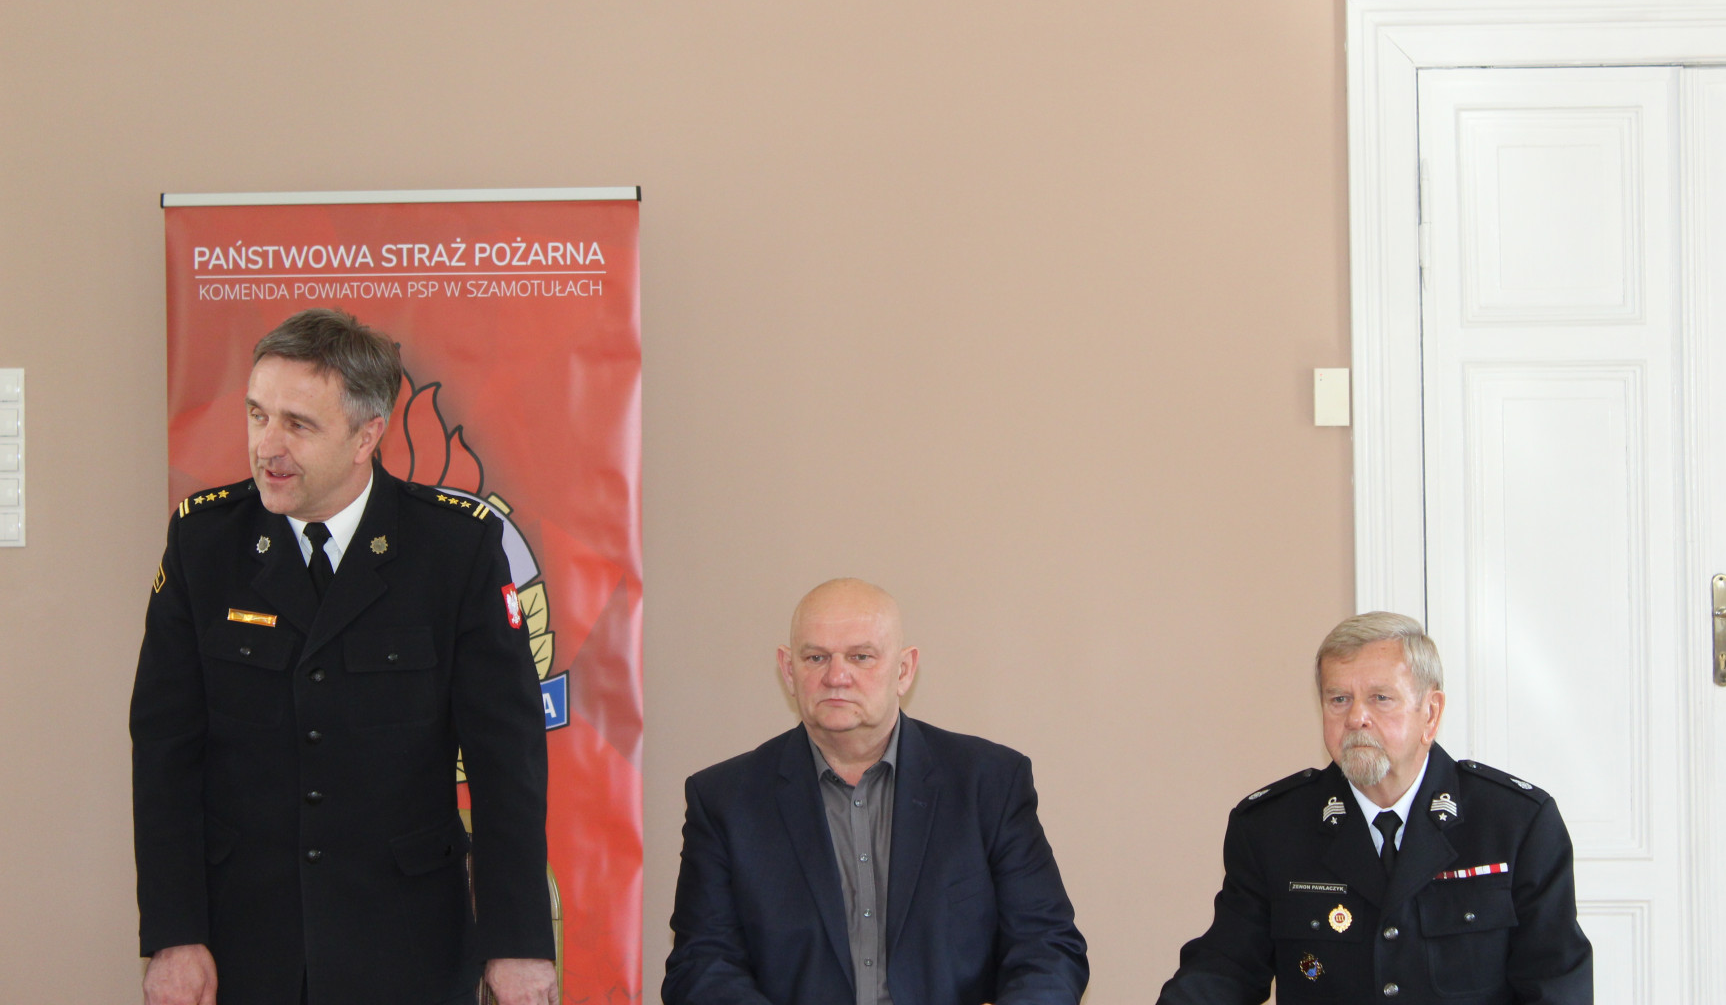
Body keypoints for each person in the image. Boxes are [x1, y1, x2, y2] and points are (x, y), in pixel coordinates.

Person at [130, 308, 558, 1005]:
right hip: (244, 942)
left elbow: (506, 761)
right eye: (257, 415)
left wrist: (516, 943)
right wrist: (175, 933)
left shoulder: (455, 550)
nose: (267, 446)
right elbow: (165, 751)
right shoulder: (204, 543)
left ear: (367, 435)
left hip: (409, 943)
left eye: (298, 424)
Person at [663, 578, 1088, 1005]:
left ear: (903, 670)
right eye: (816, 657)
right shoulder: (724, 801)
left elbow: (1047, 947)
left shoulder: (989, 783)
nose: (836, 676)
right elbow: (701, 966)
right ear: (789, 671)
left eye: (860, 656)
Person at [1156, 612, 1593, 1005]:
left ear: (1431, 713)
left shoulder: (1515, 824)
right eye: (1339, 699)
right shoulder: (1271, 829)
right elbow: (1226, 969)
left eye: (1381, 698)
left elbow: (1556, 985)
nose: (1355, 718)